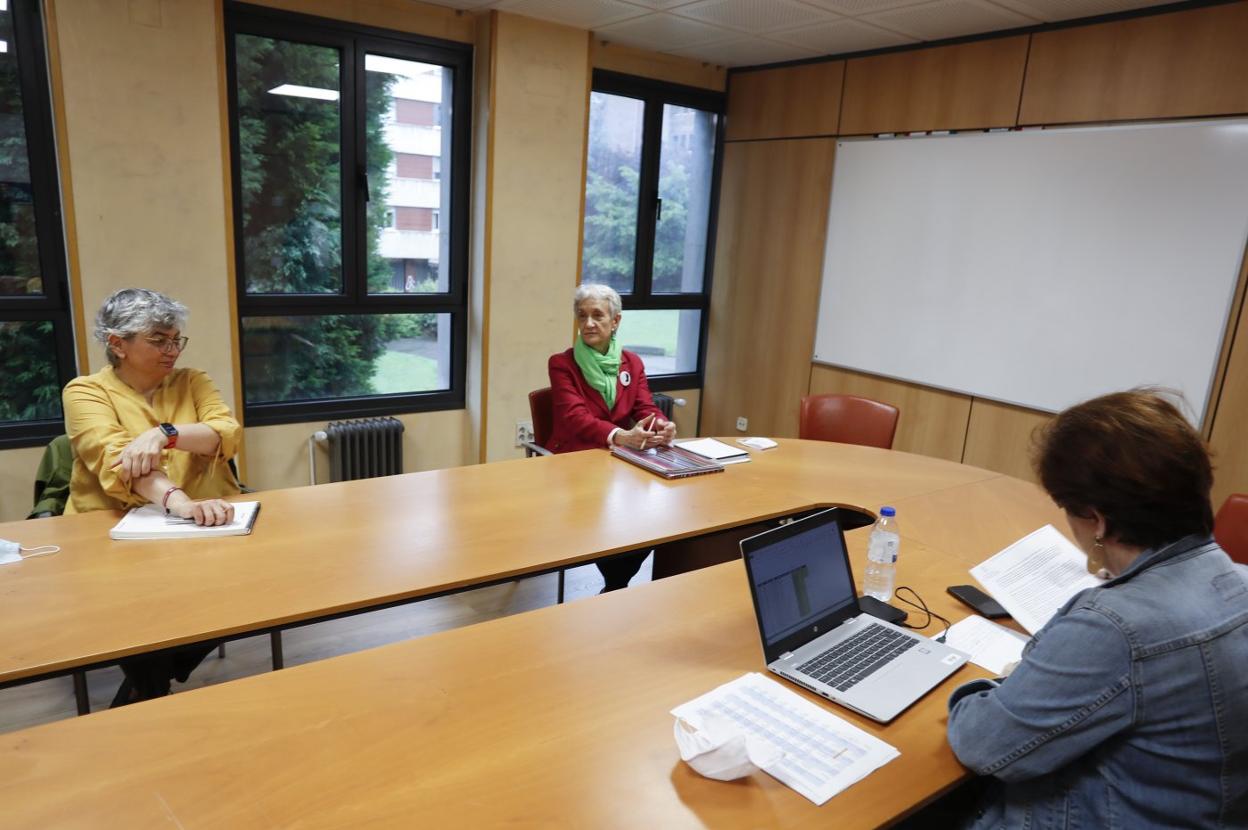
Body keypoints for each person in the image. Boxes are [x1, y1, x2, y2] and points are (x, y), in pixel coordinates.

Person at [944, 390, 1248, 828]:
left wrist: (993, 685)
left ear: (1098, 520)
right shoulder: (1238, 579)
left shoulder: (1114, 629)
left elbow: (981, 744)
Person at [63, 288, 243, 703]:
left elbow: (225, 433)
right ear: (117, 344)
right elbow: (117, 462)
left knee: (253, 588)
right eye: (158, 340)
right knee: (140, 612)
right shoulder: (85, 391)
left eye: (176, 339)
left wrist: (164, 434)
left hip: (205, 522)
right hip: (112, 530)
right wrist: (181, 504)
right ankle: (153, 685)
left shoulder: (192, 380)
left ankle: (154, 682)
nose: (171, 350)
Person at [547, 283, 676, 590]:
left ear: (615, 321)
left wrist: (661, 425)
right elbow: (575, 417)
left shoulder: (632, 362)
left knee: (658, 516)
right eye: (582, 316)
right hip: (575, 460)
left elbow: (645, 406)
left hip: (619, 461)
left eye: (597, 315)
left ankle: (615, 584)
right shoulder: (562, 363)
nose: (588, 323)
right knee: (610, 518)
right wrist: (621, 436)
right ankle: (616, 585)